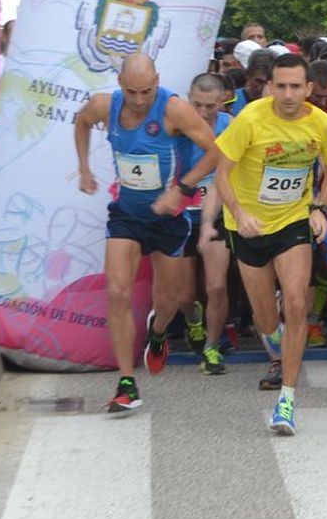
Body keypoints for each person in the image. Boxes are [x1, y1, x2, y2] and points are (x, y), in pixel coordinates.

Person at [74, 54, 219, 413]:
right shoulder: (104, 105)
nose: (139, 100)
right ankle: (127, 383)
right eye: (131, 91)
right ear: (120, 84)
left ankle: (159, 333)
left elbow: (216, 152)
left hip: (168, 218)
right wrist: (84, 168)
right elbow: (81, 122)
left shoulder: (175, 110)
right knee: (117, 290)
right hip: (127, 215)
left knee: (167, 301)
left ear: (158, 80)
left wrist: (181, 189)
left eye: (146, 91)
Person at [213, 52, 327, 436]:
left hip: (292, 220)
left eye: (295, 87)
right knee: (267, 320)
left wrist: (319, 207)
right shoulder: (251, 118)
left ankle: (286, 400)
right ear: (270, 86)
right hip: (248, 225)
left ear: (309, 88)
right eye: (280, 86)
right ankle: (275, 331)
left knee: (298, 302)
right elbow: (222, 172)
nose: (287, 94)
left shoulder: (322, 124)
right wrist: (239, 210)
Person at [183, 74, 234, 375]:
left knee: (216, 285)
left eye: (210, 106)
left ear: (222, 101)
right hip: (181, 213)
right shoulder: (177, 123)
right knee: (183, 295)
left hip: (218, 213)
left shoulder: (231, 125)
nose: (203, 112)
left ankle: (212, 347)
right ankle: (192, 320)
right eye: (197, 105)